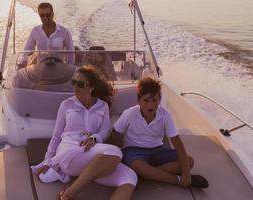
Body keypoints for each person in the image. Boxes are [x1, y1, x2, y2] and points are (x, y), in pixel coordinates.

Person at [33, 66, 137, 200]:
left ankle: (87, 175)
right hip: (69, 153)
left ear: (91, 87)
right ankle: (69, 195)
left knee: (130, 177)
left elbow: (105, 130)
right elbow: (56, 136)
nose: (76, 87)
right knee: (115, 152)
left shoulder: (102, 106)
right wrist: (48, 160)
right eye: (74, 82)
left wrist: (94, 138)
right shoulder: (66, 105)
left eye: (80, 84)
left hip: (91, 154)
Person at [110, 77, 209, 188]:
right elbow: (115, 134)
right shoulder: (130, 114)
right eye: (146, 100)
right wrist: (117, 155)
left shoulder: (165, 115)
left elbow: (178, 143)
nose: (150, 105)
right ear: (138, 101)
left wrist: (186, 172)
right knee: (137, 165)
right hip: (134, 151)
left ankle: (146, 175)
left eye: (154, 100)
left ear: (160, 100)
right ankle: (176, 179)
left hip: (157, 150)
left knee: (189, 161)